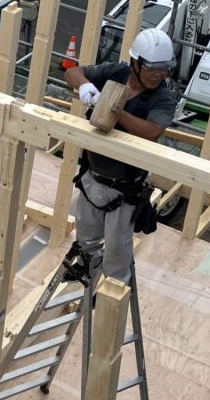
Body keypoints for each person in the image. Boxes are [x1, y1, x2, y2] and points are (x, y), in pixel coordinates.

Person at [63, 27, 178, 285]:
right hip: (92, 177)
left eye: (164, 69)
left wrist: (113, 108)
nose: (159, 74)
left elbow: (152, 131)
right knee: (86, 240)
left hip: (124, 190)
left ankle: (112, 297)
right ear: (135, 63)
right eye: (152, 68)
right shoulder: (116, 73)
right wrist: (85, 85)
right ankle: (86, 278)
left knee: (116, 254)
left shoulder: (162, 97)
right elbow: (72, 71)